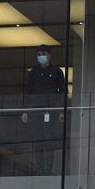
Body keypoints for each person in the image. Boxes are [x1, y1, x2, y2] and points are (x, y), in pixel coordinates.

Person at [21, 45, 66, 175]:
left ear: (49, 55)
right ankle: (40, 169)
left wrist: (61, 110)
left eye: (44, 53)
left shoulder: (57, 71)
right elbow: (28, 92)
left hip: (51, 111)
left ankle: (48, 169)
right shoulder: (33, 72)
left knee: (49, 140)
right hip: (35, 110)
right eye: (39, 54)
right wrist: (25, 110)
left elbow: (62, 91)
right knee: (38, 140)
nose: (41, 56)